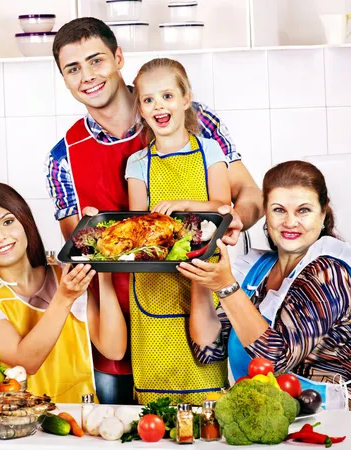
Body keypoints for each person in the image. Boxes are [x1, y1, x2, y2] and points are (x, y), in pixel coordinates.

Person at [46, 17, 263, 405]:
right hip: (120, 333)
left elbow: (248, 193)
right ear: (64, 79)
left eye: (96, 61)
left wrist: (233, 220)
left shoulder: (196, 121)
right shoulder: (63, 157)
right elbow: (83, 254)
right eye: (73, 69)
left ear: (118, 57)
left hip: (202, 313)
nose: (88, 76)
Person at [179, 161, 351, 411]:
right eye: (279, 210)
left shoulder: (330, 273)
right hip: (272, 418)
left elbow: (275, 359)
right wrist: (202, 258)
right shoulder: (256, 271)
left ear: (323, 214)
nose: (290, 222)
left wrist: (225, 287)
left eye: (303, 210)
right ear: (266, 214)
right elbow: (207, 350)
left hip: (338, 421)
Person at [0, 183, 127, 403]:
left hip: (81, 420)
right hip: (18, 426)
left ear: (25, 222)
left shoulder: (64, 275)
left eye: (7, 222)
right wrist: (64, 298)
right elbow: (25, 363)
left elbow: (114, 349)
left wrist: (102, 261)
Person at [123, 57, 231, 405]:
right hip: (154, 283)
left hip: (202, 276)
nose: (159, 106)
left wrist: (186, 204)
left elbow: (223, 208)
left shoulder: (210, 151)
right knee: (158, 406)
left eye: (167, 95)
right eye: (149, 99)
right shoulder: (138, 164)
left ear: (186, 98)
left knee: (208, 394)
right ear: (140, 108)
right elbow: (138, 229)